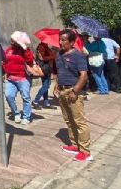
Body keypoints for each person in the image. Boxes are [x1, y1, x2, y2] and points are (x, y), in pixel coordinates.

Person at [55, 29, 92, 162]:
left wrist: (75, 91)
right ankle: (75, 145)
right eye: (60, 39)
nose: (61, 42)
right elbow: (59, 71)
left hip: (74, 92)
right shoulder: (59, 54)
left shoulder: (78, 55)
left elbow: (84, 75)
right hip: (63, 91)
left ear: (72, 42)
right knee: (69, 120)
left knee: (79, 122)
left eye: (64, 40)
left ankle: (85, 151)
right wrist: (56, 86)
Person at [3, 31, 35, 125]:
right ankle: (16, 113)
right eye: (11, 40)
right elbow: (5, 61)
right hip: (10, 78)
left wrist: (25, 50)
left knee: (26, 98)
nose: (11, 42)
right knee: (9, 96)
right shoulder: (9, 49)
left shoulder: (25, 50)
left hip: (23, 78)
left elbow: (29, 61)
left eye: (13, 40)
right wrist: (5, 71)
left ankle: (26, 117)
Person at [32, 43, 56, 109]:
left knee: (46, 85)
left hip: (48, 69)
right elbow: (42, 58)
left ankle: (46, 102)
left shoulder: (46, 46)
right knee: (46, 86)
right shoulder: (41, 47)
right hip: (44, 69)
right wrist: (53, 56)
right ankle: (36, 100)